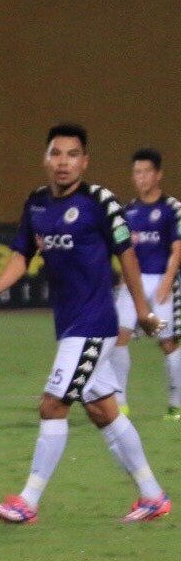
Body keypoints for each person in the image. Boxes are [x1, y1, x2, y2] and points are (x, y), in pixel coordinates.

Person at [0, 123, 169, 524]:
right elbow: (19, 256)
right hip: (68, 324)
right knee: (103, 411)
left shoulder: (101, 202)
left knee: (52, 404)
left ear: (85, 160)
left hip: (93, 324)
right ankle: (153, 496)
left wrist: (143, 310)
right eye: (56, 154)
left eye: (72, 154)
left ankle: (27, 502)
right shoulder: (36, 205)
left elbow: (127, 255)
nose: (64, 163)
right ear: (46, 159)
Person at [113, 149, 181, 417]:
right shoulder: (128, 211)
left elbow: (178, 249)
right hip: (133, 283)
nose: (141, 178)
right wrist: (122, 284)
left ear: (158, 174)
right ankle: (120, 404)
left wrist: (166, 283)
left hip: (162, 280)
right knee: (118, 337)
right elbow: (124, 252)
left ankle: (176, 403)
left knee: (166, 343)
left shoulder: (172, 208)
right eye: (137, 173)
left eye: (146, 172)